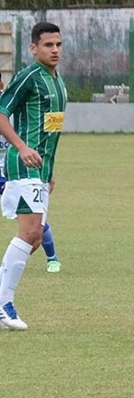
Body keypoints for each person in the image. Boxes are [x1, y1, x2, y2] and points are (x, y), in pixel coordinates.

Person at [0, 22, 68, 331]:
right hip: (23, 163)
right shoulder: (28, 76)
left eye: (58, 44)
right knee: (28, 234)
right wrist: (21, 146)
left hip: (41, 170)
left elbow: (51, 129)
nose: (54, 50)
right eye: (48, 45)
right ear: (33, 48)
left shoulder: (58, 81)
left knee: (36, 238)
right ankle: (3, 305)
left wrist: (50, 171)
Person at [0, 75, 61, 274]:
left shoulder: (15, 105)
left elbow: (48, 136)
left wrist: (48, 172)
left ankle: (52, 257)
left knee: (34, 223)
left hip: (18, 171)